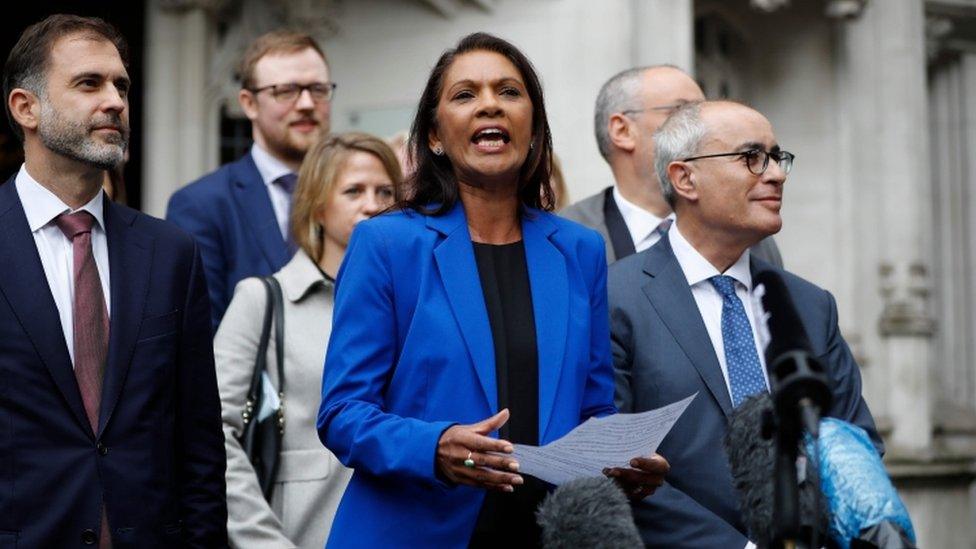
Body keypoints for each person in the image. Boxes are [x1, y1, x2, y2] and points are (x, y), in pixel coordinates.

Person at [317, 32, 669, 548]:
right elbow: (343, 412)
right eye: (465, 95)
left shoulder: (579, 250)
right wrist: (432, 445)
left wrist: (625, 458)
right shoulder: (386, 244)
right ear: (435, 136)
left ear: (533, 126)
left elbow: (595, 406)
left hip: (542, 534)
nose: (489, 106)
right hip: (413, 531)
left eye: (509, 92)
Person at [609, 100, 882, 548]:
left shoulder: (809, 305)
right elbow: (616, 465)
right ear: (685, 178)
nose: (776, 174)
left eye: (777, 157)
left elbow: (856, 447)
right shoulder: (615, 298)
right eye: (752, 157)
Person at [0, 14, 226, 547]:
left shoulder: (171, 253)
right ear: (25, 107)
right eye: (89, 83)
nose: (116, 101)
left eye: (121, 85)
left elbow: (198, 440)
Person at [216, 132, 400, 548]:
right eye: (354, 191)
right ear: (317, 203)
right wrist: (263, 541)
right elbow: (211, 433)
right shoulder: (263, 299)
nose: (372, 204)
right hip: (304, 534)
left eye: (385, 190)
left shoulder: (411, 303)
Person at [167, 30, 334, 331]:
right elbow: (202, 337)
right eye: (286, 91)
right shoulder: (202, 205)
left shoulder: (365, 195)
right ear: (249, 104)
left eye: (318, 89)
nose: (307, 103)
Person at [561, 65, 782, 266]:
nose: (705, 127)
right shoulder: (565, 236)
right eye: (683, 113)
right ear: (622, 130)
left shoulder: (749, 237)